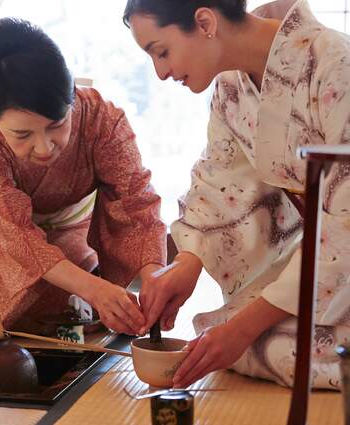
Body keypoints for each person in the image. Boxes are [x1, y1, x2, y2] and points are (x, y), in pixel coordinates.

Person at [124, 0, 350, 389]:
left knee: (254, 342)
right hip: (323, 261)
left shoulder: (334, 64)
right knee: (218, 337)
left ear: (205, 21)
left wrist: (244, 329)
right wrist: (187, 264)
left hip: (340, 249)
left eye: (161, 51)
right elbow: (220, 181)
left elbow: (345, 219)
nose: (160, 72)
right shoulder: (231, 86)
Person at [0, 17, 166, 335]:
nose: (43, 148)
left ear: (72, 100)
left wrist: (154, 280)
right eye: (22, 134)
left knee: (81, 321)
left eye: (56, 126)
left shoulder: (101, 119)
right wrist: (94, 289)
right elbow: (15, 235)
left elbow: (137, 203)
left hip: (73, 234)